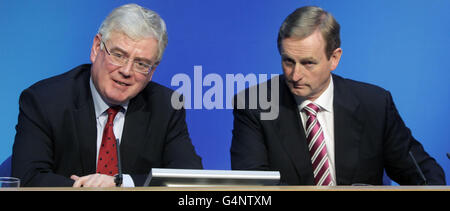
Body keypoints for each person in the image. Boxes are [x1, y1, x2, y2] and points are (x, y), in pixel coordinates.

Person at [230, 6, 446, 185]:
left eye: (308, 63)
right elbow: (253, 186)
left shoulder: (375, 104)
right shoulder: (256, 104)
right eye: (288, 61)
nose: (295, 75)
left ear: (334, 58)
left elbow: (424, 174)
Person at [12, 3, 202, 187]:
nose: (127, 71)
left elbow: (188, 177)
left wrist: (121, 184)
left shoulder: (165, 107)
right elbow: (28, 178)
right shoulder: (45, 100)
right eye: (119, 55)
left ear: (151, 72)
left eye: (141, 64)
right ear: (96, 48)